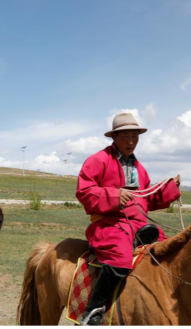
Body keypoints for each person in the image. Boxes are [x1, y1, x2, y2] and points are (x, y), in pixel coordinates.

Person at [76, 113, 181, 326]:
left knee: (171, 250)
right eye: (126, 136)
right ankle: (93, 311)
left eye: (135, 136)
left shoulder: (139, 168)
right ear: (114, 137)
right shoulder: (98, 160)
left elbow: (146, 199)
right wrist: (113, 195)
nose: (131, 141)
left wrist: (170, 188)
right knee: (120, 257)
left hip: (139, 225)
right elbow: (84, 191)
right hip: (109, 224)